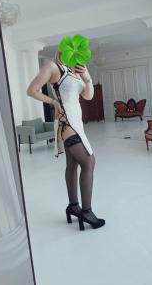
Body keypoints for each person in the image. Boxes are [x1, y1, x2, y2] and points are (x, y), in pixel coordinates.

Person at [26, 50, 105, 230]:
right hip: (67, 123)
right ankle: (86, 211)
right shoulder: (53, 66)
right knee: (89, 162)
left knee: (72, 165)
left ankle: (73, 206)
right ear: (62, 50)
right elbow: (31, 90)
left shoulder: (75, 71)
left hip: (77, 122)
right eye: (70, 50)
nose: (73, 54)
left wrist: (87, 78)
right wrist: (53, 102)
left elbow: (88, 96)